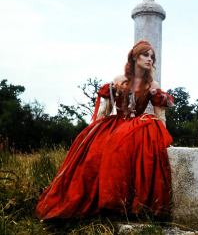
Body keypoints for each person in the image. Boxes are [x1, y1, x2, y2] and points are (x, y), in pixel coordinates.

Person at [35, 40, 174, 220]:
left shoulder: (152, 85)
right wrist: (94, 131)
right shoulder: (118, 81)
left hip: (136, 125)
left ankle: (129, 205)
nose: (149, 59)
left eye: (152, 57)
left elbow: (160, 116)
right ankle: (101, 202)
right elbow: (105, 110)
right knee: (97, 152)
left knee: (144, 132)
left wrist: (163, 139)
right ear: (134, 56)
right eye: (145, 55)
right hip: (116, 123)